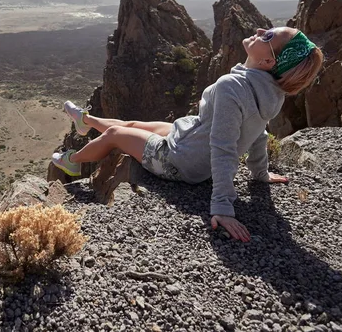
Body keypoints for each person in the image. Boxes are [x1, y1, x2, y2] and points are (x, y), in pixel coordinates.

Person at [52, 27, 324, 242]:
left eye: (268, 36)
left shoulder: (233, 86)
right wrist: (260, 173)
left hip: (179, 160)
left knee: (114, 133)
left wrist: (222, 207)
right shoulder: (271, 93)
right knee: (133, 123)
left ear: (267, 60)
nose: (260, 30)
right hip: (191, 137)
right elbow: (258, 133)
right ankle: (86, 121)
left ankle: (73, 162)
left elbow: (223, 146)